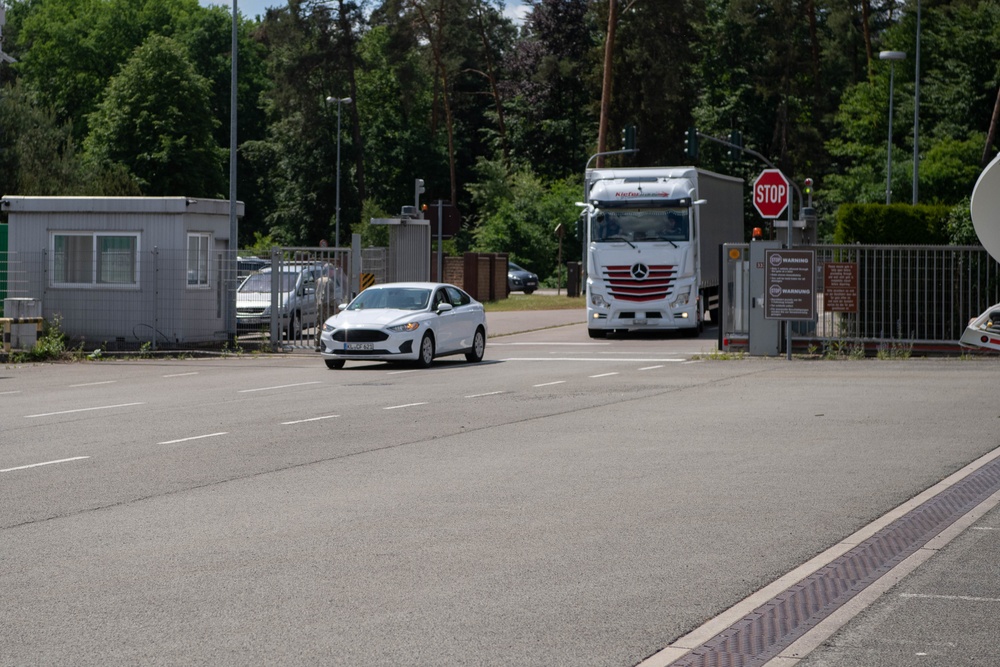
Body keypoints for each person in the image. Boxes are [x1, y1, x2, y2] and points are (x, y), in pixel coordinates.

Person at [315, 267, 337, 350]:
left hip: (319, 304)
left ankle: (317, 344)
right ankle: (327, 344)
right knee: (328, 325)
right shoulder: (329, 281)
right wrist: (335, 305)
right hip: (327, 305)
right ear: (329, 271)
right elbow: (332, 295)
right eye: (332, 270)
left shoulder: (318, 280)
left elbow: (317, 293)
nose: (333, 272)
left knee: (320, 324)